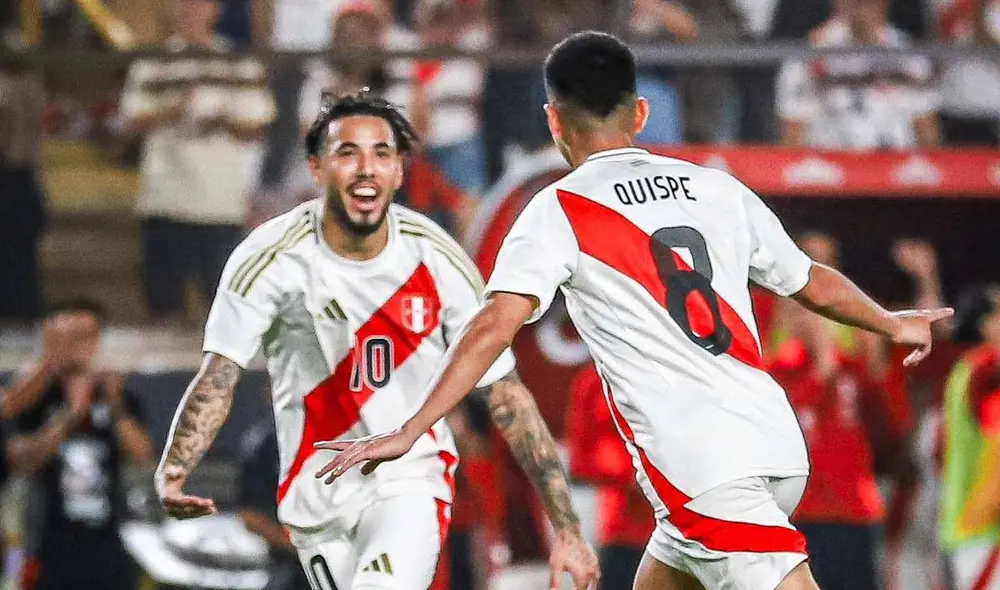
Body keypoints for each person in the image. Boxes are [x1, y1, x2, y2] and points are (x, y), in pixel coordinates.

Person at [316, 30, 953, 590]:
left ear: (554, 122)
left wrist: (410, 427)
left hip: (700, 461)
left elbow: (492, 326)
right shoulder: (717, 187)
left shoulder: (558, 209)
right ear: (642, 113)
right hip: (772, 438)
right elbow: (809, 280)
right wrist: (892, 320)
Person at [153, 90, 599, 590]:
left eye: (381, 154)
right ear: (317, 168)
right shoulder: (270, 258)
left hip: (406, 482)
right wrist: (175, 466)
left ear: (399, 171)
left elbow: (506, 395)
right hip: (315, 492)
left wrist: (566, 525)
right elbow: (219, 375)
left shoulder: (436, 257)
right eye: (348, 153)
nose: (367, 168)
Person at [120, 0, 275, 323]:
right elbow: (131, 121)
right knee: (163, 306)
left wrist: (221, 122)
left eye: (197, 4)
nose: (189, 11)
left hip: (218, 205)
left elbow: (258, 123)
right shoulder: (153, 61)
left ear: (214, 10)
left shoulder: (237, 62)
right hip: (165, 200)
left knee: (223, 307)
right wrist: (173, 111)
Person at [4, 299, 155, 590]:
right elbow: (19, 458)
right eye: (67, 338)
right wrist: (68, 418)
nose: (76, 347)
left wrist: (114, 406)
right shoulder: (33, 396)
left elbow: (144, 455)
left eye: (84, 337)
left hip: (107, 544)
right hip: (46, 545)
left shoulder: (115, 395)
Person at [567, 363, 655, 590]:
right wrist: (628, 480)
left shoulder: (671, 373)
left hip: (687, 531)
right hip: (624, 535)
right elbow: (578, 464)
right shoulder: (592, 382)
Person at [940, 283, 1000, 590]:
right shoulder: (985, 370)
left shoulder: (966, 368)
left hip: (972, 527)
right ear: (984, 323)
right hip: (983, 530)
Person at [236, 416, 316, 590]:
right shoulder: (265, 443)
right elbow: (250, 514)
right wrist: (300, 547)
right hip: (289, 566)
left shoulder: (353, 431)